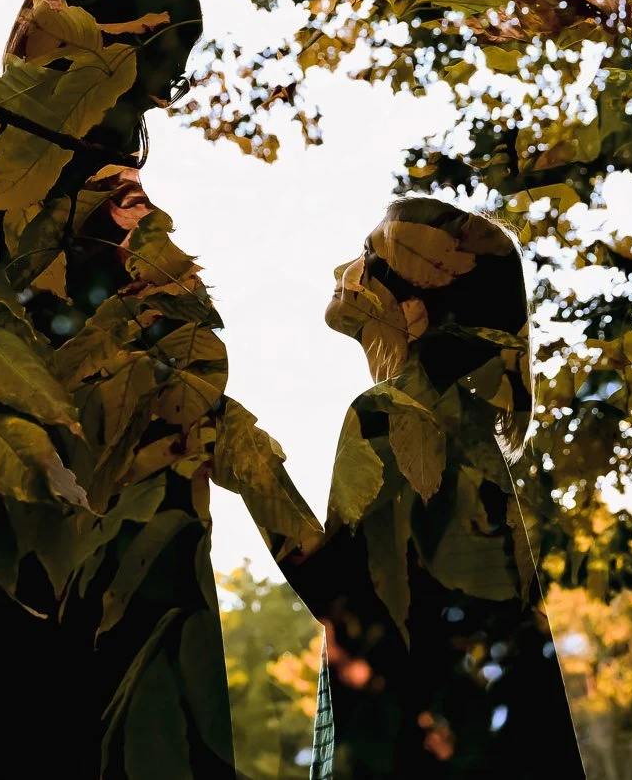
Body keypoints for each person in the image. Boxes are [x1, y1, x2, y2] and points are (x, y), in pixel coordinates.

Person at [0, 0, 312, 779]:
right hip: (5, 526)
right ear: (94, 42)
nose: (170, 92)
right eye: (160, 59)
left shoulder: (83, 171)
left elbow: (184, 349)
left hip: (93, 528)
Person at [240, 197, 584, 779]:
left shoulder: (392, 413)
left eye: (366, 256)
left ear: (414, 309)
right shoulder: (464, 427)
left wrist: (247, 463)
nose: (340, 272)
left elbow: (350, 606)